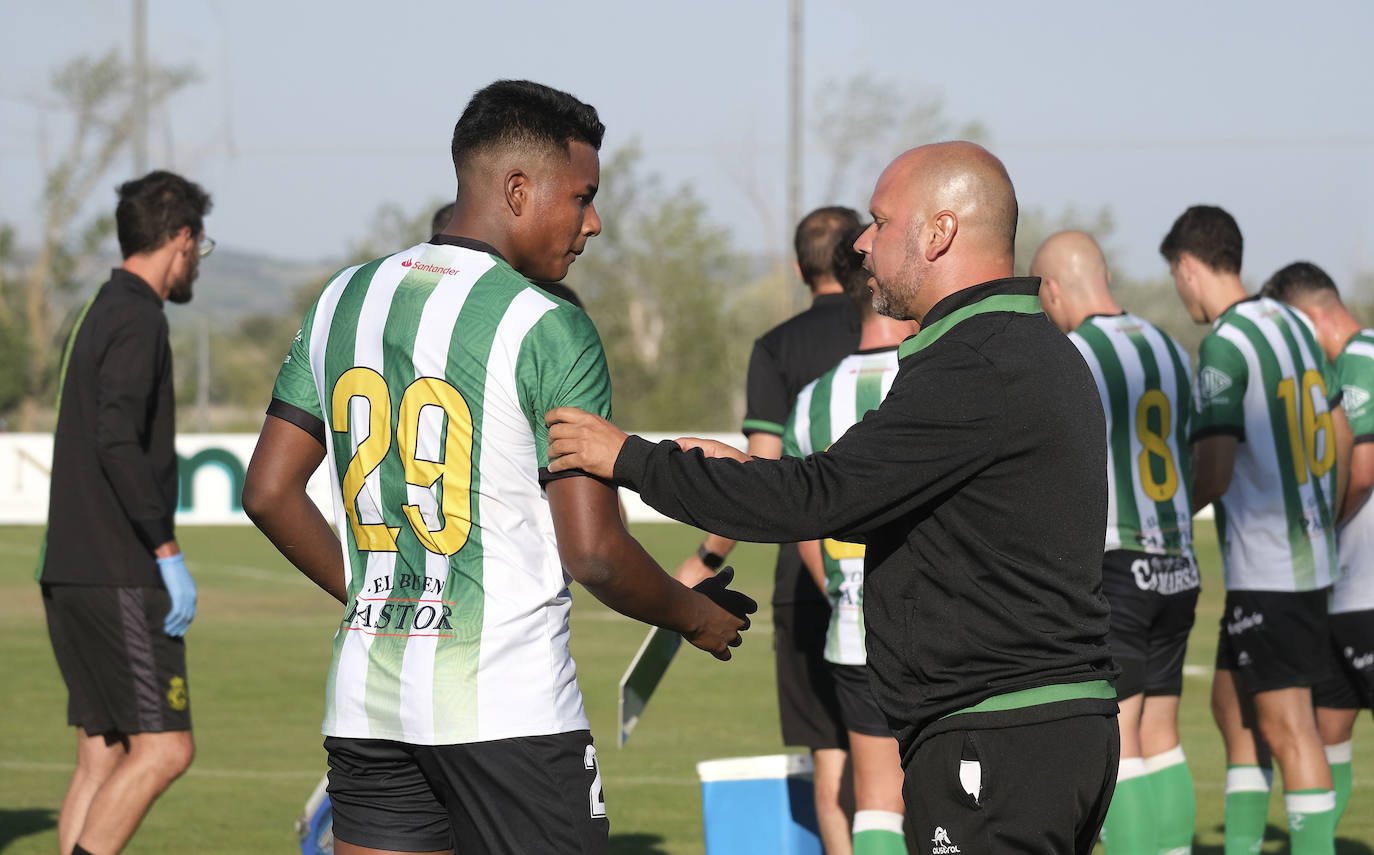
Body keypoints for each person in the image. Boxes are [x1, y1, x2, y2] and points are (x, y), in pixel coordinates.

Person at [547, 140, 1121, 855]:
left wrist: (628, 457)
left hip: (996, 734)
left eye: (880, 221)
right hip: (1042, 729)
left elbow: (815, 499)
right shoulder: (1029, 348)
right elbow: (876, 493)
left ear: (939, 232)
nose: (861, 240)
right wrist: (742, 473)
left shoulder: (974, 363)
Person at [240, 79, 754, 855]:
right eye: (582, 197)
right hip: (509, 713)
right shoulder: (549, 323)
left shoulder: (342, 297)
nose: (595, 223)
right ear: (518, 189)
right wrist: (696, 616)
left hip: (367, 704)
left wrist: (382, 596)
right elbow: (593, 551)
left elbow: (270, 492)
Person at [1162, 206, 1350, 855]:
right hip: (1300, 558)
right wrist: (1323, 508)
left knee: (1289, 727)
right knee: (1231, 709)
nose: (1179, 291)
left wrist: (1160, 516)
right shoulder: (1294, 324)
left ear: (1189, 266)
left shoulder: (1224, 344)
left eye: (1176, 276)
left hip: (1271, 569)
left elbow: (1212, 470)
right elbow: (1343, 429)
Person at [673, 204, 862, 853]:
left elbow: (761, 477)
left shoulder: (778, 347)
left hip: (812, 581)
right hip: (900, 568)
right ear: (867, 253)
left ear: (796, 267)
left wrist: (703, 558)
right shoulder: (901, 329)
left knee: (833, 757)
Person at [38, 170, 213, 855]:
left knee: (103, 756)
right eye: (199, 245)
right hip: (118, 572)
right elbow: (115, 437)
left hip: (68, 572)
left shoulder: (95, 310)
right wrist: (166, 554)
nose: (197, 259)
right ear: (181, 238)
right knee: (166, 748)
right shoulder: (140, 317)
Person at [1033, 230, 1199, 855]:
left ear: (1050, 289)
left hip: (1118, 565)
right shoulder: (1169, 347)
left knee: (1118, 736)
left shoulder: (1073, 354)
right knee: (1163, 733)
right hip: (1177, 560)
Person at [783, 225, 916, 855]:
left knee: (876, 801)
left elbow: (803, 525)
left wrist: (843, 593)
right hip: (935, 628)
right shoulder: (930, 379)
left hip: (852, 626)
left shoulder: (811, 401)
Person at [1259, 260, 1374, 831]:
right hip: (1346, 594)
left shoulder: (1359, 359)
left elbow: (1360, 468)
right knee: (1328, 734)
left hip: (1365, 590)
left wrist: (1316, 531)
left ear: (1308, 316)